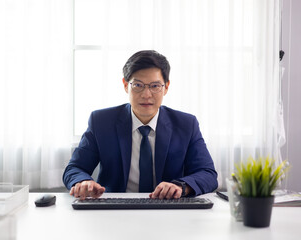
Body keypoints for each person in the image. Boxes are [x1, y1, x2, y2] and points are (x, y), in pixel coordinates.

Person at [63, 50, 218, 200]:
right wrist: (82, 182)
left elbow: (207, 174)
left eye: (155, 86)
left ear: (166, 87)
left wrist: (181, 187)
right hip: (114, 210)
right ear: (125, 85)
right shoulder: (101, 122)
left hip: (169, 210)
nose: (146, 94)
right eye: (138, 85)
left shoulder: (186, 124)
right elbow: (75, 168)